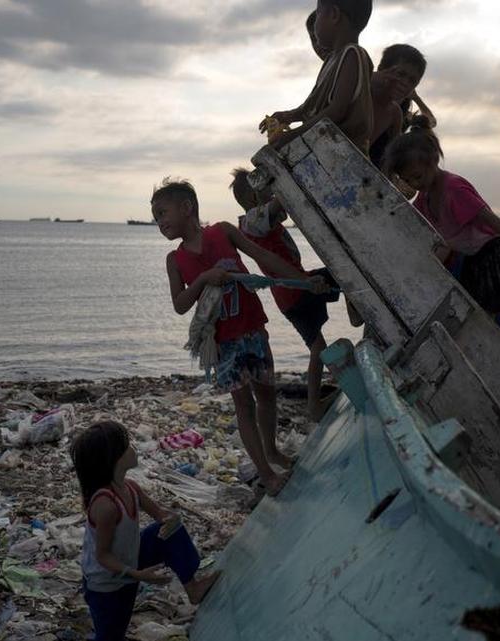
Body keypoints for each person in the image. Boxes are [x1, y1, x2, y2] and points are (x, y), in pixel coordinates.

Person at [153, 178, 324, 495]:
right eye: (156, 218)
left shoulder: (224, 232)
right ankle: (266, 474)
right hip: (223, 342)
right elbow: (180, 305)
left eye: (163, 213)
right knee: (243, 405)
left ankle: (271, 451)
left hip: (254, 328)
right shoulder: (174, 260)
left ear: (187, 208)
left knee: (268, 394)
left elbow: (264, 258)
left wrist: (302, 279)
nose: (159, 222)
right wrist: (205, 278)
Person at [384, 126, 500, 355]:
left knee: (498, 316)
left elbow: (490, 219)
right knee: (481, 315)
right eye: (408, 180)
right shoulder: (425, 196)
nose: (415, 184)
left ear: (434, 160)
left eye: (418, 177)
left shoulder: (454, 189)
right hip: (470, 259)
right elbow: (415, 228)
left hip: (492, 254)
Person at [71, 421, 219, 641]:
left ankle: (193, 587)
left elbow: (160, 514)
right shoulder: (105, 505)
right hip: (107, 583)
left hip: (131, 560)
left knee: (171, 531)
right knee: (111, 634)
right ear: (115, 460)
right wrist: (139, 575)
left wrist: (170, 519)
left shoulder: (130, 487)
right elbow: (102, 556)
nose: (134, 448)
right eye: (127, 446)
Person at [231, 169, 339, 420]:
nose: (273, 193)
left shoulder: (258, 221)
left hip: (289, 295)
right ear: (256, 198)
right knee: (347, 273)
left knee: (317, 347)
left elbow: (282, 209)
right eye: (267, 190)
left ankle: (314, 406)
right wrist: (286, 179)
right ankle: (357, 313)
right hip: (298, 289)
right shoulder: (252, 220)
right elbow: (280, 203)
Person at [262, 0, 374, 152]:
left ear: (334, 15)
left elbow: (336, 111)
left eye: (319, 13)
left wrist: (292, 135)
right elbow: (312, 107)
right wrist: (288, 116)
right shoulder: (330, 60)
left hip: (342, 154)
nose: (315, 25)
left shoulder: (352, 55)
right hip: (321, 149)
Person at [369, 44, 433, 170]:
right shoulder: (359, 86)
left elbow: (390, 161)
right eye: (400, 74)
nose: (405, 82)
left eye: (412, 81)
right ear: (382, 69)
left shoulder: (395, 113)